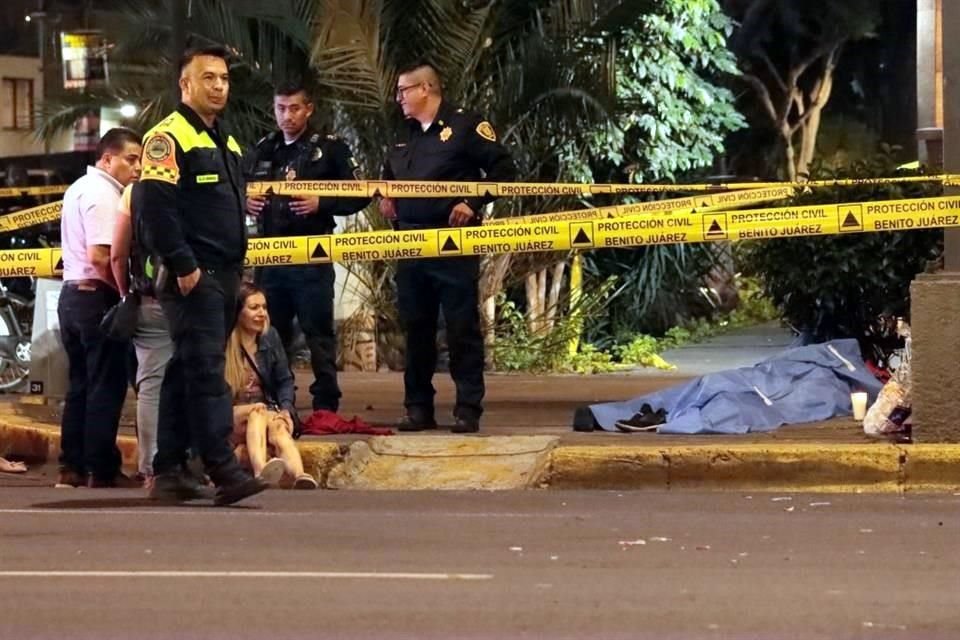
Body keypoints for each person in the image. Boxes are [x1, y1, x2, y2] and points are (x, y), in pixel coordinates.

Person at [136, 45, 267, 505]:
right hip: (195, 277)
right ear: (185, 84)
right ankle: (222, 468)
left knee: (183, 372)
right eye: (207, 77)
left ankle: (171, 470)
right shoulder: (166, 138)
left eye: (224, 79)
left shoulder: (224, 141)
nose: (218, 86)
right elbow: (154, 208)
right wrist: (182, 263)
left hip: (225, 276)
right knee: (207, 374)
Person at [379, 61, 516, 433]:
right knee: (416, 328)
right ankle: (417, 408)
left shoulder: (466, 126)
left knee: (460, 327)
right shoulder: (402, 134)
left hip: (454, 242)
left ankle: (467, 408)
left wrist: (472, 202)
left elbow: (505, 170)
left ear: (426, 89)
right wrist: (384, 193)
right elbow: (388, 176)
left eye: (404, 90)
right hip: (410, 241)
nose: (398, 98)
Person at [246, 82, 370, 413]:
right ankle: (274, 401)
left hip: (311, 255)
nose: (286, 116)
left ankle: (326, 403)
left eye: (294, 109)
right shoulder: (264, 148)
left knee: (318, 333)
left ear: (309, 109)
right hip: (271, 257)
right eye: (280, 109)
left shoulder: (330, 149)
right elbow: (241, 187)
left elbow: (361, 193)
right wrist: (247, 201)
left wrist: (322, 202)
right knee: (271, 333)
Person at [57, 127, 142, 488]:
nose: (137, 168)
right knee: (105, 387)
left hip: (72, 298)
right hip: (96, 298)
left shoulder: (78, 187)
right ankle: (100, 469)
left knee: (80, 385)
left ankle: (71, 466)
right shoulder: (104, 194)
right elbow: (101, 256)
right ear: (107, 159)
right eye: (130, 159)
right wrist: (125, 294)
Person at [110, 181, 174, 487]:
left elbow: (117, 255)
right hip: (195, 298)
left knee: (150, 385)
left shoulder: (133, 193)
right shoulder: (192, 184)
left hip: (149, 300)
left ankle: (150, 466)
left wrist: (126, 295)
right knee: (199, 380)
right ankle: (191, 461)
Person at [225, 282, 318, 490]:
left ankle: (300, 475)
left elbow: (285, 379)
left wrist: (285, 409)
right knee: (257, 412)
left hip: (264, 409)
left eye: (264, 307)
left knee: (278, 427)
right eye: (254, 308)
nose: (262, 314)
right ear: (238, 312)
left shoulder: (270, 337)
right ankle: (260, 471)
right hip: (232, 411)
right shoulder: (225, 341)